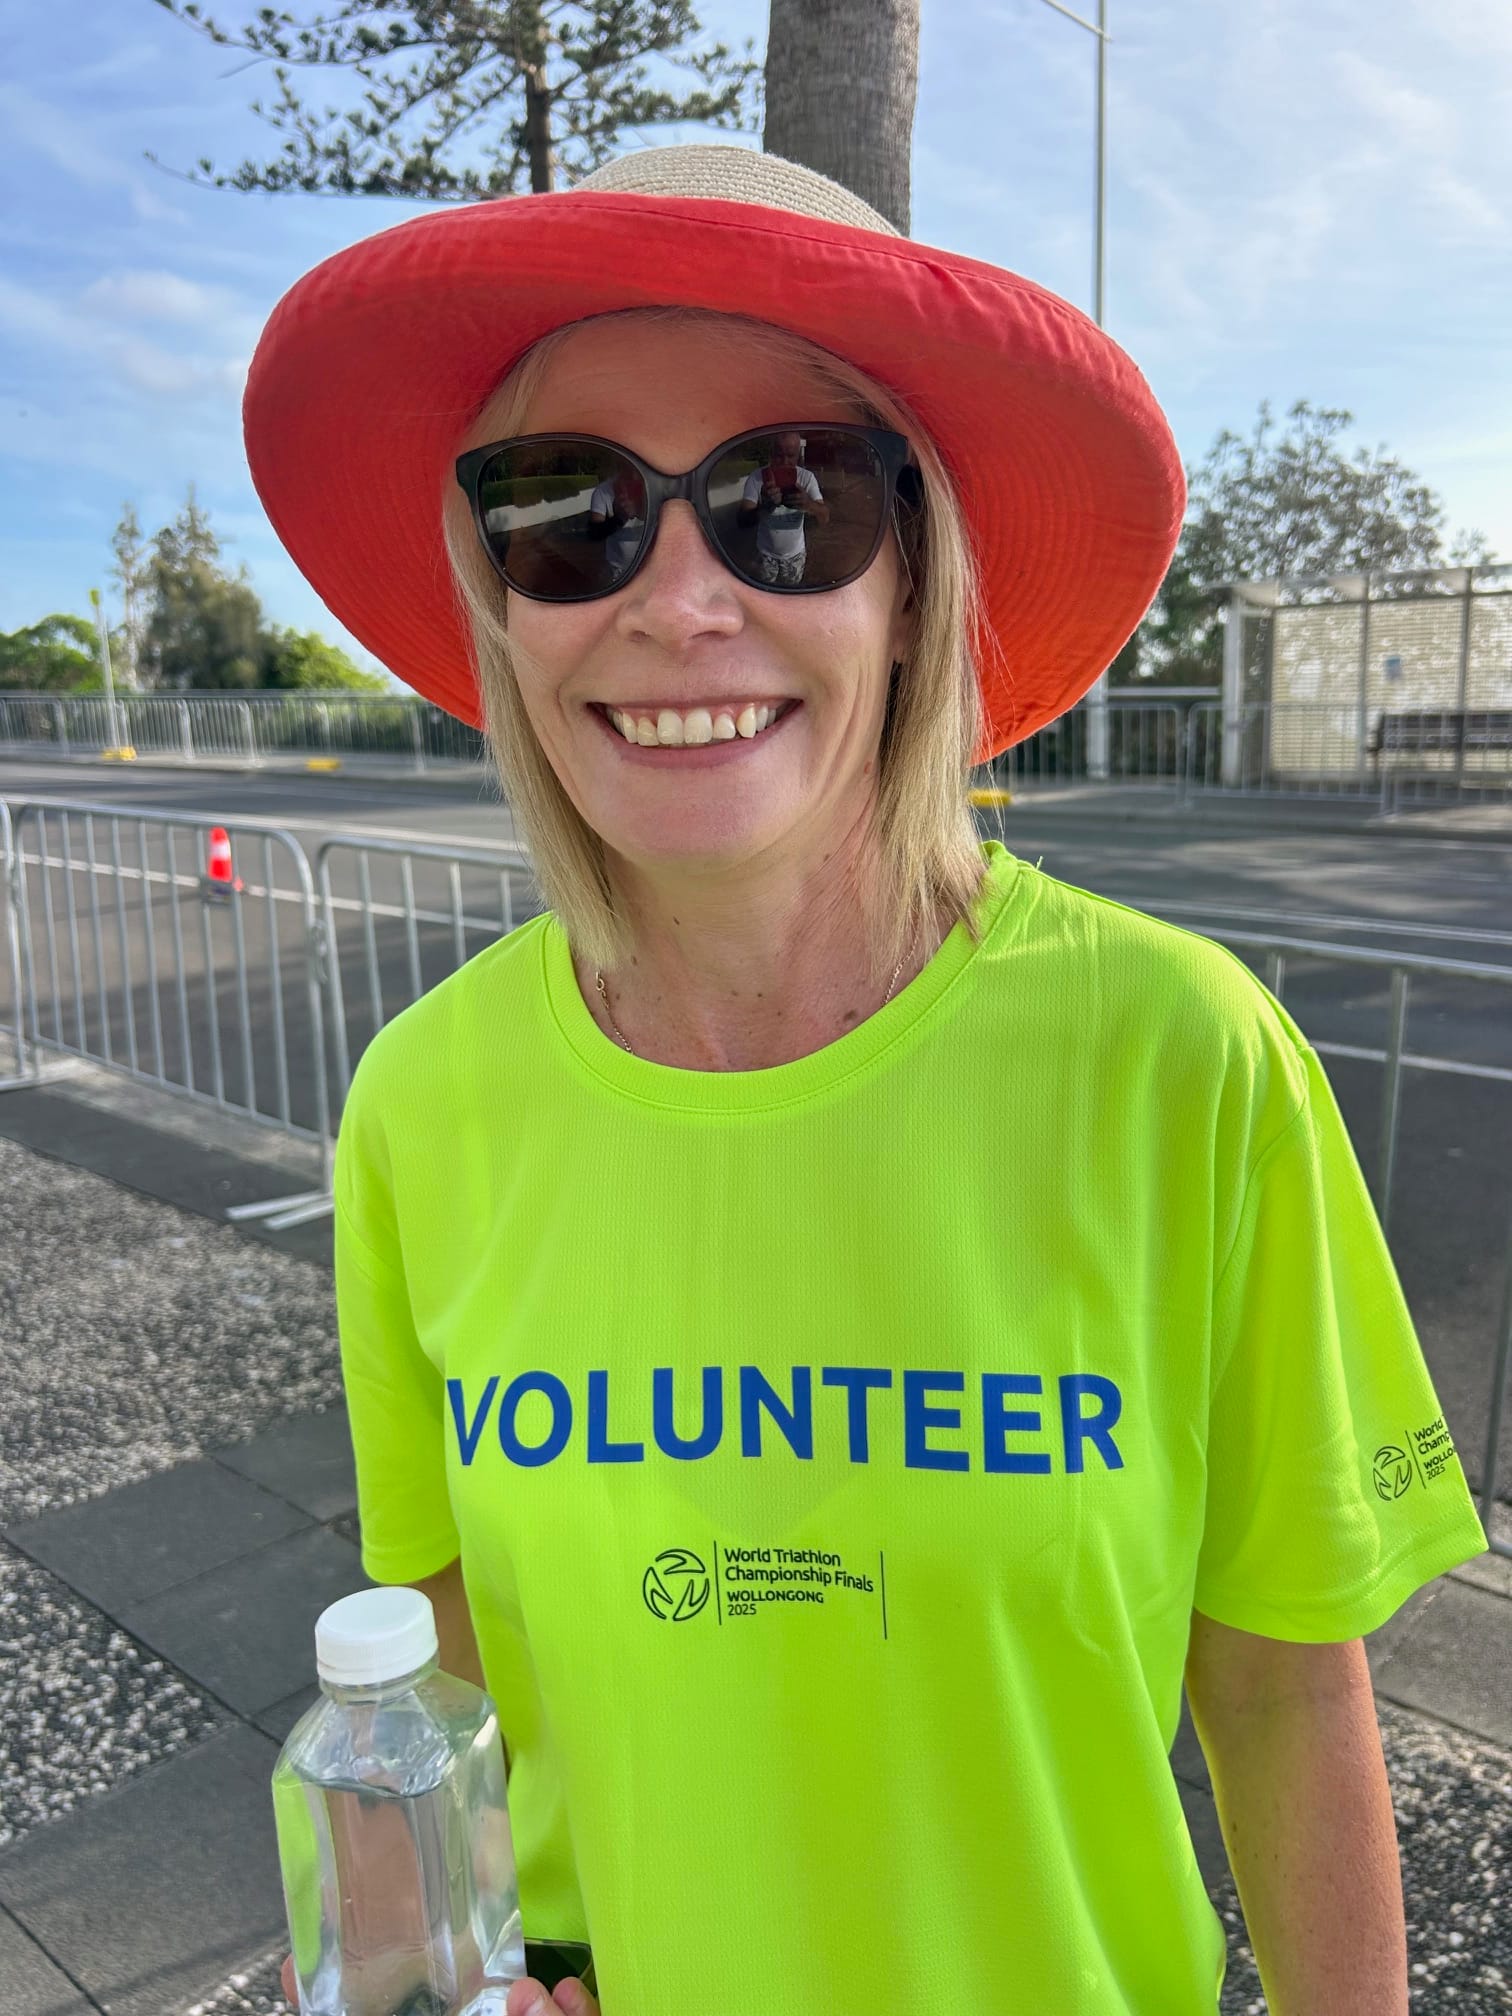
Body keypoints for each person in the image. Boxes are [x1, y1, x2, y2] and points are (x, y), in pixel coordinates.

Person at [245, 144, 1488, 2015]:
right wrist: (430, 1975)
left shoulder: (1183, 1056)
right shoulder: (421, 1102)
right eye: (571, 511)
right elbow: (432, 1668)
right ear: (499, 596)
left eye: (791, 501)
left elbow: (1282, 1690)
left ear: (913, 585)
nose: (677, 603)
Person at [735, 426, 829, 582]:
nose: (785, 462)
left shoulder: (807, 478)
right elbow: (742, 521)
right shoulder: (757, 478)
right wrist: (766, 507)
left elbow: (825, 518)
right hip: (765, 554)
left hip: (795, 555)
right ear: (771, 453)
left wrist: (808, 504)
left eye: (790, 456)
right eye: (779, 455)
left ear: (798, 455)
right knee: (764, 592)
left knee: (790, 592)